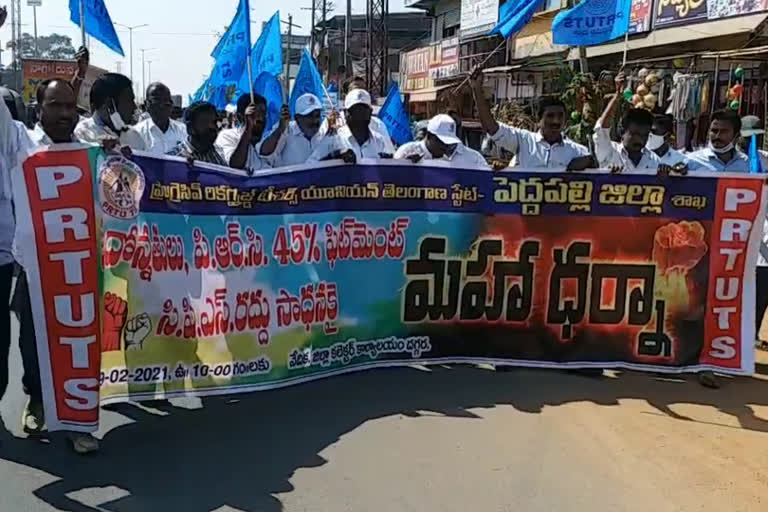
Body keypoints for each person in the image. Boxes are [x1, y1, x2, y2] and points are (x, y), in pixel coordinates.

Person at [0, 77, 100, 454]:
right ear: (37, 109)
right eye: (54, 105)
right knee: (33, 341)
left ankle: (78, 420)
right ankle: (38, 399)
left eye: (69, 106)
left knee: (78, 341)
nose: (63, 113)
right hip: (34, 267)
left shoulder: (90, 152)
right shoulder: (19, 144)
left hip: (79, 267)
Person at [469, 68, 592, 171]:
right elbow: (491, 128)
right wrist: (477, 89)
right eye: (550, 116)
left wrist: (591, 163)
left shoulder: (578, 151)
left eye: (560, 116)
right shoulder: (523, 141)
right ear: (538, 120)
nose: (556, 121)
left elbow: (600, 174)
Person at [593, 73, 665, 173]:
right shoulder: (609, 152)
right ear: (622, 131)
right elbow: (602, 128)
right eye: (635, 134)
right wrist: (617, 96)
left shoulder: (654, 160)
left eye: (644, 135)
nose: (639, 139)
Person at [309, 89, 394, 163]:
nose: (360, 115)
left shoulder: (379, 141)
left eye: (363, 110)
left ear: (370, 112)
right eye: (355, 110)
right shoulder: (333, 141)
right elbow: (310, 166)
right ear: (346, 113)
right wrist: (334, 156)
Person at [75, 72, 147, 150]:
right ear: (110, 105)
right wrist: (99, 150)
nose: (134, 107)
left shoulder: (135, 137)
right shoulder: (83, 134)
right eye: (129, 101)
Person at [395, 114, 490, 169]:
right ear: (429, 136)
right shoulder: (406, 151)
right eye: (441, 141)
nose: (446, 146)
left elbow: (487, 181)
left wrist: (500, 171)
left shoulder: (473, 158)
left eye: (449, 142)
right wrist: (405, 165)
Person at [260, 93, 326, 167]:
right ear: (297, 118)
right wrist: (280, 129)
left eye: (317, 115)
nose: (315, 120)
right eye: (309, 116)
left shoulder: (324, 132)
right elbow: (264, 153)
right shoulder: (286, 129)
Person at [215, 93, 272, 174]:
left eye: (264, 113)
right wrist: (248, 127)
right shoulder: (227, 136)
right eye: (255, 115)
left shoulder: (267, 141)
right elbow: (235, 165)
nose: (261, 118)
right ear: (240, 117)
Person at [134, 82, 187, 155]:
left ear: (171, 105)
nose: (161, 105)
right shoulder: (136, 133)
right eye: (156, 101)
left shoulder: (183, 130)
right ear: (146, 105)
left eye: (166, 101)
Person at [167, 101, 226, 165]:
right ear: (190, 128)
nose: (212, 127)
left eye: (214, 122)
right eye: (205, 122)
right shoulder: (174, 158)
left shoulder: (220, 153)